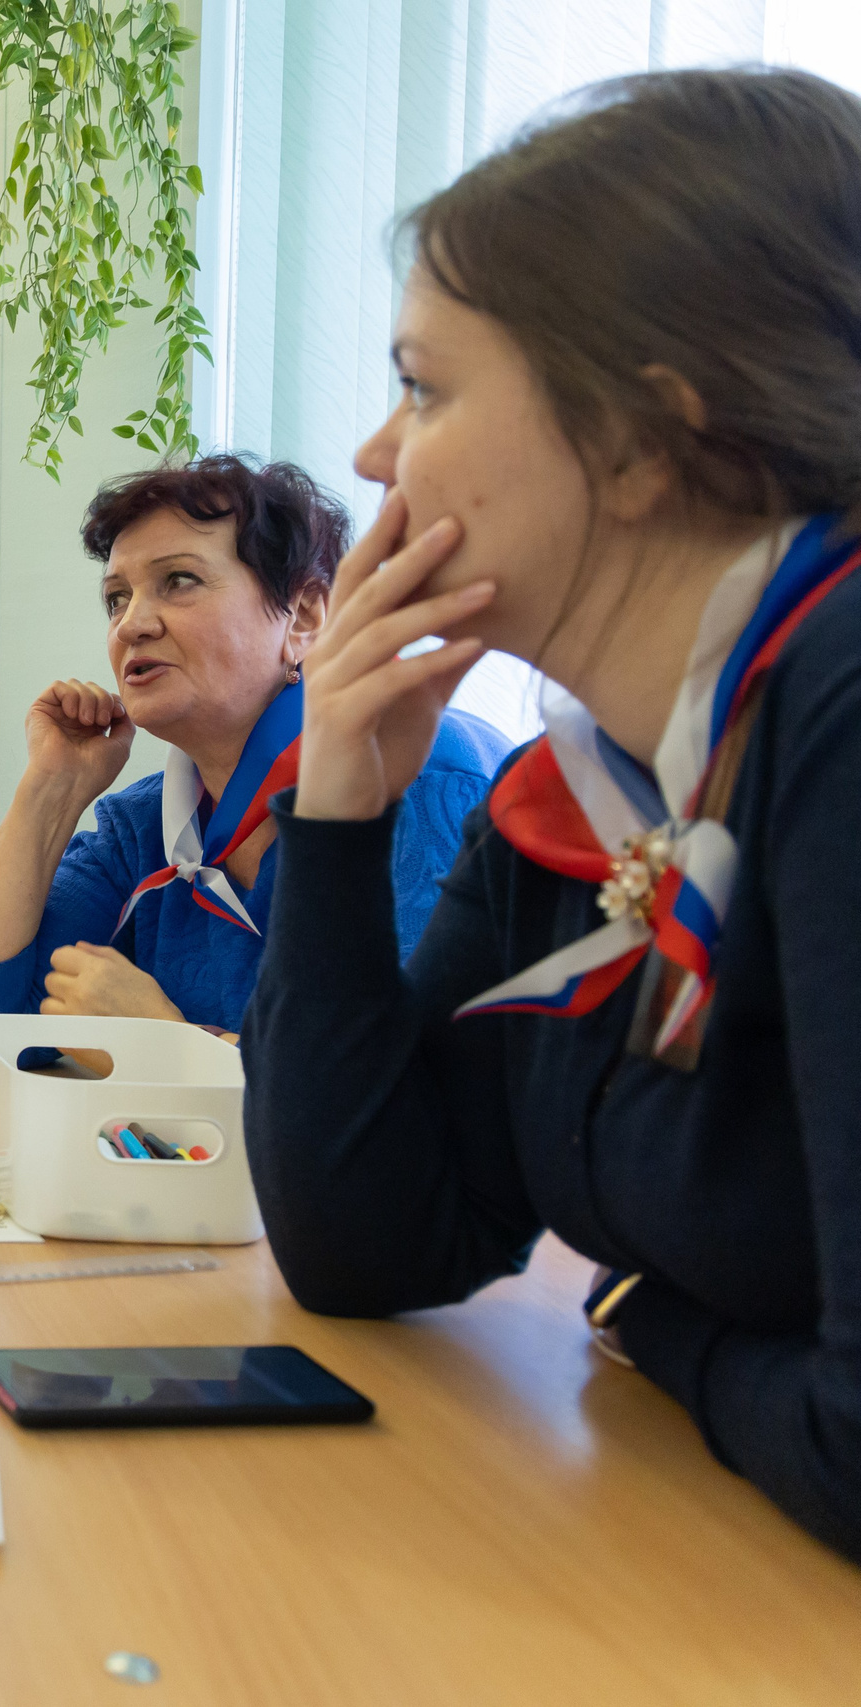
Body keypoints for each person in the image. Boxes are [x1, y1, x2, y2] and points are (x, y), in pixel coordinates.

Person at [246, 68, 861, 1562]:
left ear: (648, 440)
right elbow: (371, 1243)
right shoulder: (570, 793)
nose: (379, 457)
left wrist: (665, 1326)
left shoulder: (842, 700)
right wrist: (339, 809)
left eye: (425, 386)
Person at [0, 455, 509, 1063]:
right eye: (117, 598)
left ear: (303, 617)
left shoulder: (427, 779)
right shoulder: (142, 828)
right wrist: (50, 791)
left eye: (179, 581)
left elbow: (409, 1089)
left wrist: (168, 1047)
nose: (131, 625)